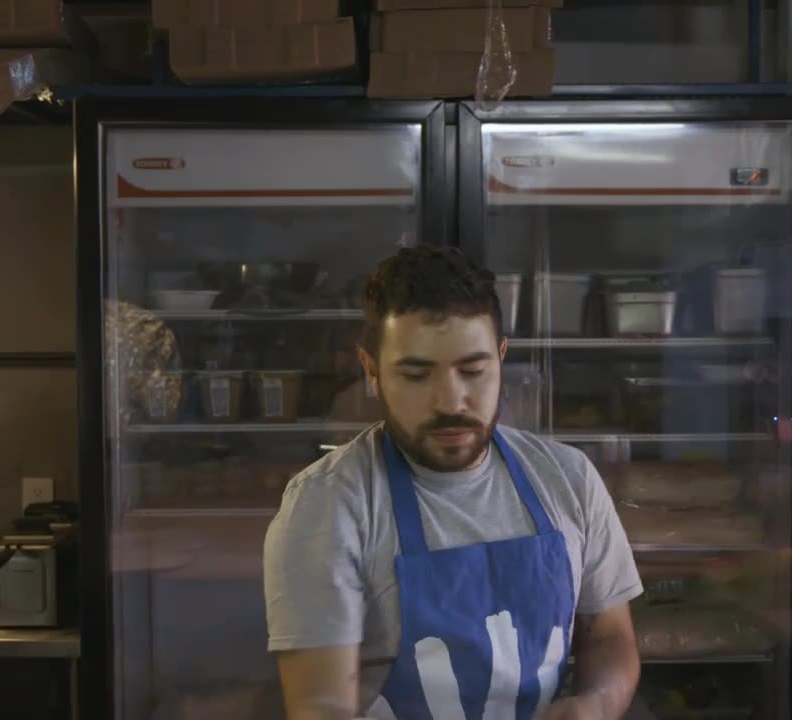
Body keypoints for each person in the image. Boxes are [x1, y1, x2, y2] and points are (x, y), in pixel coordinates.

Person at [264, 246, 643, 720]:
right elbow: (322, 705)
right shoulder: (328, 506)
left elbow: (608, 635)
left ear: (501, 356)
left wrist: (598, 702)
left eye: (473, 370)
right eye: (417, 374)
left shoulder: (566, 478)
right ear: (371, 370)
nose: (451, 400)